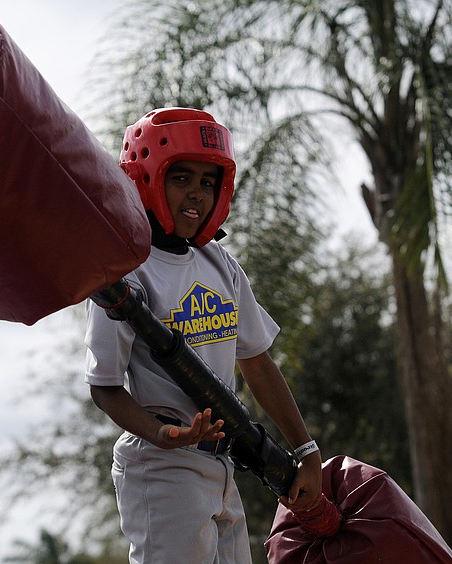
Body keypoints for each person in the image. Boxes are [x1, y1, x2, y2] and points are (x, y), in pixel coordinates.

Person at [84, 107, 323, 563]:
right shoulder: (125, 273)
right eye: (181, 179)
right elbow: (106, 388)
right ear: (147, 179)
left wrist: (305, 449)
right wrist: (160, 433)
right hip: (162, 467)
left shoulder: (221, 265)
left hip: (224, 460)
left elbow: (256, 361)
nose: (197, 192)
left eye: (207, 182)